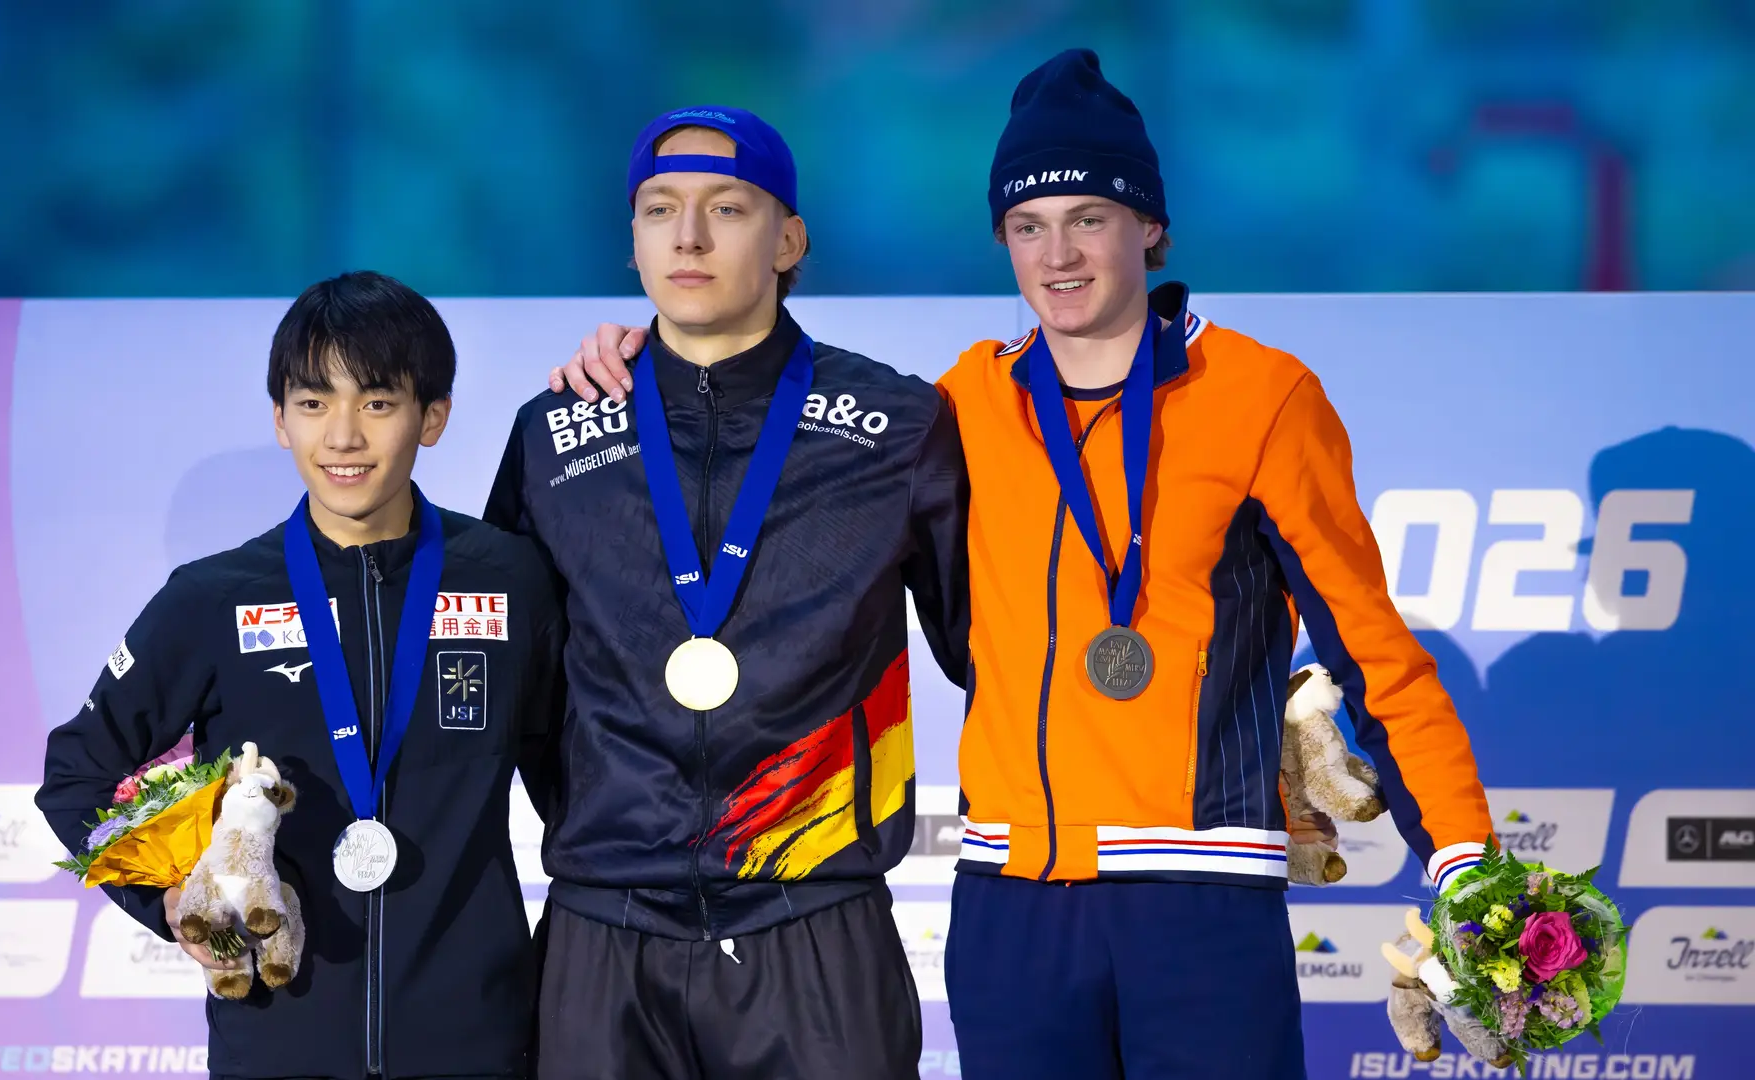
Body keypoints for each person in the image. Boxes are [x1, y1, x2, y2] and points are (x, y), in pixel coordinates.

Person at [552, 50, 1493, 1079]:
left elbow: (1376, 653)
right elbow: (769, 446)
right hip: (1009, 911)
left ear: (1151, 226)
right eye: (1029, 226)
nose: (1060, 255)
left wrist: (1464, 864)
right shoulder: (959, 406)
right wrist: (644, 361)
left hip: (1199, 900)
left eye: (1089, 217)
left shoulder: (1264, 396)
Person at [483, 105, 967, 1080]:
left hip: (814, 918)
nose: (688, 236)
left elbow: (993, 650)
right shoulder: (555, 433)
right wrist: (603, 825)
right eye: (660, 209)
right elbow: (512, 688)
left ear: (788, 238)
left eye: (727, 208)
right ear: (632, 240)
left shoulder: (898, 425)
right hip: (602, 924)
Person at [37, 271, 566, 1080]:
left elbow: (580, 786)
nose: (344, 437)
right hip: (277, 1045)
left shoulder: (510, 579)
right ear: (281, 420)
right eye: (314, 403)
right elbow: (76, 772)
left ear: (434, 417)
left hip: (480, 1040)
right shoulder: (214, 597)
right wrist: (174, 899)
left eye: (378, 402)